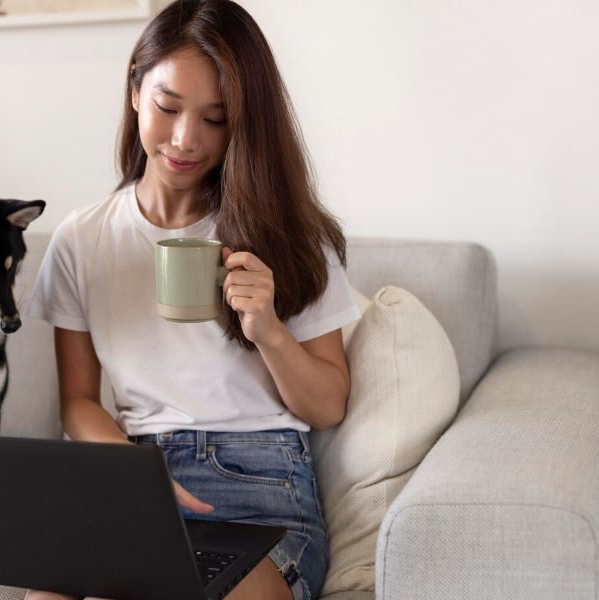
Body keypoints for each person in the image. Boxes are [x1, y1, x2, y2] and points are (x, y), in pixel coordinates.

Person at [23, 1, 361, 598]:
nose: (185, 139)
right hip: (136, 478)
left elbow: (329, 405)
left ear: (244, 123)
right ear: (135, 90)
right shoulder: (83, 238)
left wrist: (269, 330)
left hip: (259, 485)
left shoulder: (291, 236)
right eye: (168, 107)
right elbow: (77, 402)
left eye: (215, 118)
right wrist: (134, 471)